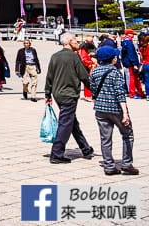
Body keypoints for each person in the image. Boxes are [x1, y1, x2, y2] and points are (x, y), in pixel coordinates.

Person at [44, 32, 94, 164]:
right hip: (69, 94)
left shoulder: (55, 56)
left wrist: (47, 94)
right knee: (65, 123)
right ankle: (56, 153)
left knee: (72, 122)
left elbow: (49, 76)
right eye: (75, 41)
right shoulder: (74, 57)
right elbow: (84, 76)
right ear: (68, 42)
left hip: (57, 94)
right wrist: (95, 90)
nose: (77, 43)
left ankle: (85, 148)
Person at [90, 45, 139, 175]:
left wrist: (98, 103)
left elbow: (93, 92)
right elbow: (120, 94)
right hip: (116, 109)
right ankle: (127, 164)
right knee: (127, 135)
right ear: (113, 59)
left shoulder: (94, 71)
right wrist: (125, 113)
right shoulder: (116, 72)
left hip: (100, 110)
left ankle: (109, 166)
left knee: (105, 138)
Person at [120, 29, 144, 99]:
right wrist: (134, 64)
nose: (133, 35)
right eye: (132, 34)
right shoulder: (129, 43)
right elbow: (131, 54)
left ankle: (135, 92)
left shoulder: (124, 42)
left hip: (127, 62)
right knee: (132, 78)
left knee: (132, 78)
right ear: (128, 34)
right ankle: (132, 93)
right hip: (131, 63)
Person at [79, 36, 97, 102]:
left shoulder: (84, 48)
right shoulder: (83, 49)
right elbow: (84, 60)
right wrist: (92, 61)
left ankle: (88, 95)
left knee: (88, 81)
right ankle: (88, 95)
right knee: (87, 81)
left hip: (87, 66)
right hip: (85, 67)